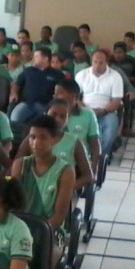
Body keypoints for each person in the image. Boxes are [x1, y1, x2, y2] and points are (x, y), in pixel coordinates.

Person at [11, 115, 75, 254]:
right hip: (19, 228)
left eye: (43, 137)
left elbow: (59, 215)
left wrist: (37, 235)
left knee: (49, 256)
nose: (36, 142)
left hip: (50, 231)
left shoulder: (65, 171)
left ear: (55, 140)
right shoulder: (19, 165)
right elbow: (12, 204)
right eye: (32, 137)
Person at [14, 100, 94, 191]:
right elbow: (17, 165)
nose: (58, 119)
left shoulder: (74, 141)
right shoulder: (32, 138)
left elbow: (88, 176)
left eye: (63, 116)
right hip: (33, 189)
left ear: (68, 118)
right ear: (46, 114)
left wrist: (65, 190)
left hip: (64, 189)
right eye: (53, 114)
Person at [75, 49, 124, 155]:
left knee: (110, 128)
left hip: (107, 112)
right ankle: (82, 155)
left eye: (101, 62)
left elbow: (116, 101)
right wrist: (85, 110)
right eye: (94, 62)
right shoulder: (81, 75)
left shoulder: (115, 76)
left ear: (107, 62)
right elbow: (75, 98)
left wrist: (103, 110)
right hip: (85, 111)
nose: (97, 65)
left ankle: (101, 157)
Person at [54, 80, 101, 175]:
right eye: (54, 93)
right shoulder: (51, 113)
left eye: (59, 93)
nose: (55, 96)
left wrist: (93, 167)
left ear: (73, 96)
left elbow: (95, 144)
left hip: (78, 163)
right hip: (53, 161)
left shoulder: (88, 115)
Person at [9, 46, 66, 123]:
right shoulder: (28, 71)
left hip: (46, 106)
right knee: (14, 118)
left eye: (36, 56)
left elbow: (63, 90)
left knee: (45, 123)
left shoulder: (57, 74)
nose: (33, 59)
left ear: (45, 58)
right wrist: (14, 93)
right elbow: (16, 85)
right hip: (27, 104)